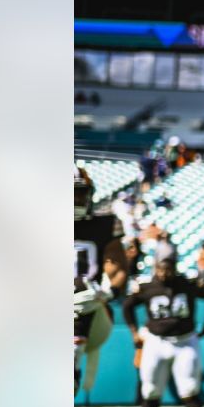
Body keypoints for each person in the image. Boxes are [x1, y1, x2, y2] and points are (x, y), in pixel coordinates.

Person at [123, 258, 204, 407]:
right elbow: (127, 306)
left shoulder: (187, 284)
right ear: (154, 268)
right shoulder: (147, 286)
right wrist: (134, 332)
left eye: (167, 269)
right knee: (150, 391)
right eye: (160, 268)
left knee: (189, 389)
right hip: (156, 342)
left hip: (185, 341)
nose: (163, 273)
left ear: (174, 268)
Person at [74, 166, 129, 395]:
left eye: (80, 192)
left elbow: (117, 267)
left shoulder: (105, 225)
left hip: (85, 305)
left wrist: (109, 292)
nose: (77, 198)